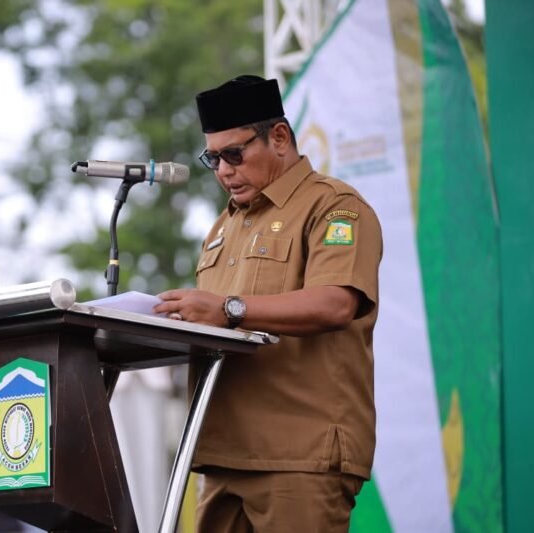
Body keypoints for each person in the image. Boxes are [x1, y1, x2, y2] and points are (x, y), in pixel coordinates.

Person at [153, 75, 383, 532]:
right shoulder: (223, 226)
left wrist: (228, 309)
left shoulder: (334, 206)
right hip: (221, 452)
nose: (222, 170)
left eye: (234, 154)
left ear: (279, 137)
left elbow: (335, 303)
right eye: (212, 158)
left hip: (298, 452)